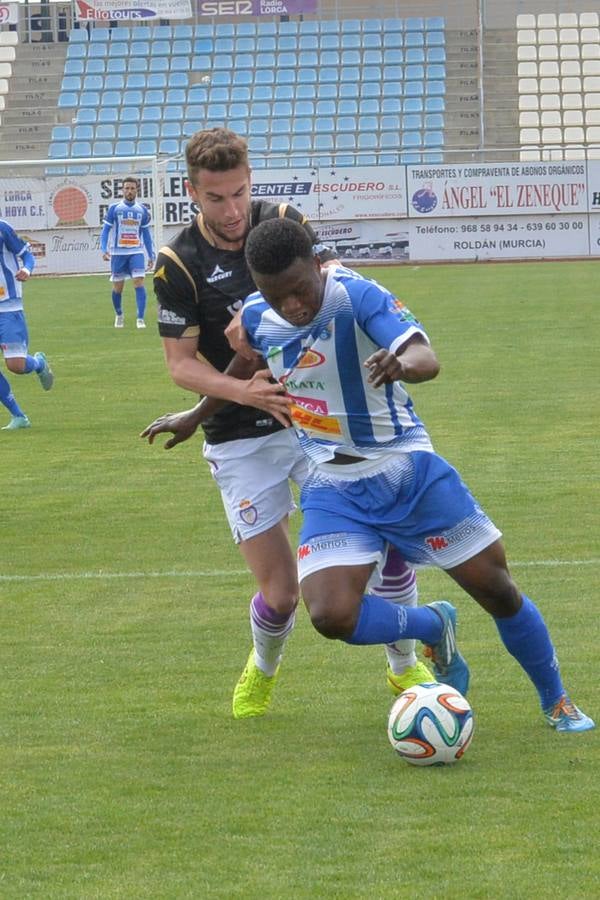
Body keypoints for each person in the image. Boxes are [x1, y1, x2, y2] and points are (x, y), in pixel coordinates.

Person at [210, 215, 593, 734]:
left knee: (498, 590)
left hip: (407, 473)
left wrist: (403, 363)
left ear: (317, 267)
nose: (293, 306)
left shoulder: (357, 297)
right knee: (329, 615)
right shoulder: (258, 315)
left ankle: (557, 700)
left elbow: (424, 355)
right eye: (279, 297)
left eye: (301, 290)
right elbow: (242, 361)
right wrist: (194, 416)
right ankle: (434, 624)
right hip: (332, 484)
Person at [142, 127, 432, 719]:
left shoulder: (283, 224)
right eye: (217, 198)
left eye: (240, 193)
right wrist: (236, 391)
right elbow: (181, 365)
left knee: (390, 554)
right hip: (238, 440)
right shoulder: (177, 262)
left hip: (314, 422)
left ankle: (404, 668)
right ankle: (264, 669)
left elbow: (334, 289)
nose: (233, 210)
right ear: (193, 194)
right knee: (281, 594)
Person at [0, 219, 54, 430]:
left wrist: (27, 270)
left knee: (16, 366)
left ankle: (39, 364)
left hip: (8, 307)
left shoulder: (3, 229)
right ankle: (19, 416)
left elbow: (27, 255)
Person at [100, 176, 155, 329]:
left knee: (139, 282)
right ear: (122, 190)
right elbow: (105, 231)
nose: (129, 191)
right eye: (127, 188)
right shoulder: (114, 208)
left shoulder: (142, 210)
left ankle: (140, 318)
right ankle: (119, 314)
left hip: (136, 251)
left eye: (132, 188)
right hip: (118, 253)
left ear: (137, 190)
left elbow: (146, 234)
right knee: (118, 288)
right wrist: (104, 249)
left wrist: (151, 254)